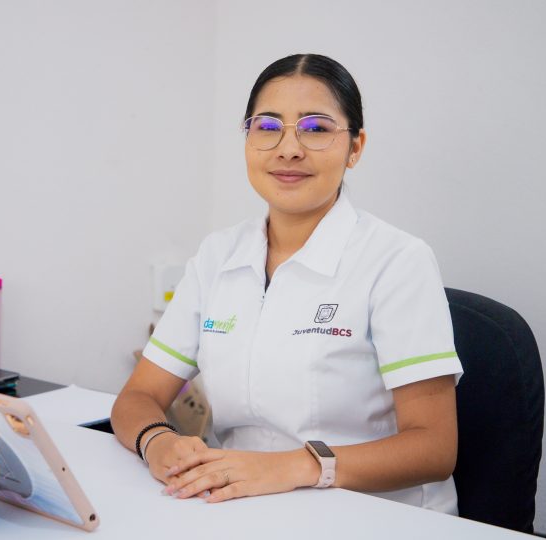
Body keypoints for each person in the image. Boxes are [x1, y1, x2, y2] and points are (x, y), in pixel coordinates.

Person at [111, 53, 464, 514]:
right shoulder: (218, 256)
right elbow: (137, 397)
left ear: (355, 147)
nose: (288, 148)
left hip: (372, 515)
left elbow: (434, 448)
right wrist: (158, 442)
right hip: (243, 506)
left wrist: (292, 467)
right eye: (267, 126)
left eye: (316, 128)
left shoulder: (397, 261)